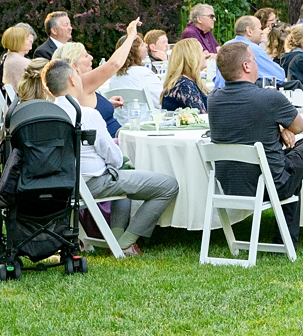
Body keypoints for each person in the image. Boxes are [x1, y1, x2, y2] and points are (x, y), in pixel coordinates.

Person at [41, 59, 178, 255]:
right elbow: (113, 158)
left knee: (121, 179)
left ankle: (114, 239)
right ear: (72, 80)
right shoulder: (86, 114)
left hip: (59, 186)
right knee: (168, 186)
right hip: (91, 184)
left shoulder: (46, 114)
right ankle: (126, 242)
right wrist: (116, 163)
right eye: (78, 75)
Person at [207, 41, 303, 247]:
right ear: (246, 66)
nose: (256, 65)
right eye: (254, 60)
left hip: (230, 185)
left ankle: (286, 238)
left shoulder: (213, 99)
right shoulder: (269, 97)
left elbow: (245, 126)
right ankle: (285, 240)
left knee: (288, 164)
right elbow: (299, 127)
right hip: (270, 185)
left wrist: (279, 129)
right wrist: (284, 128)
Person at [55, 40, 125, 137]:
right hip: (113, 143)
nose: (91, 58)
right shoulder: (79, 83)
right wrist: (131, 35)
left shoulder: (75, 87)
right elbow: (114, 64)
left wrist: (106, 104)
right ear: (74, 65)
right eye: (86, 56)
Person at [158, 38, 211, 113]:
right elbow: (201, 116)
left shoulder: (184, 81)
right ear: (192, 57)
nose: (206, 55)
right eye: (201, 52)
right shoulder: (184, 86)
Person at [0, 23, 35, 94]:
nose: (31, 41)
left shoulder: (8, 57)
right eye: (27, 39)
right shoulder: (21, 62)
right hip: (27, 101)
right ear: (18, 42)